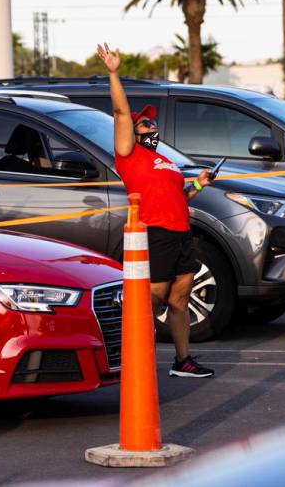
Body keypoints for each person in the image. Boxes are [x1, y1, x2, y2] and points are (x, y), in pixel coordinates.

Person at [97, 43, 215, 378]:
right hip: (157, 233)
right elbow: (121, 112)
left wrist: (199, 184)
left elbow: (178, 196)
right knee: (152, 300)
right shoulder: (128, 154)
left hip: (181, 233)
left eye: (152, 123)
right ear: (133, 133)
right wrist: (114, 72)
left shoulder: (166, 161)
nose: (152, 127)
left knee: (179, 299)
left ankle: (182, 361)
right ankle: (134, 359)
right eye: (146, 124)